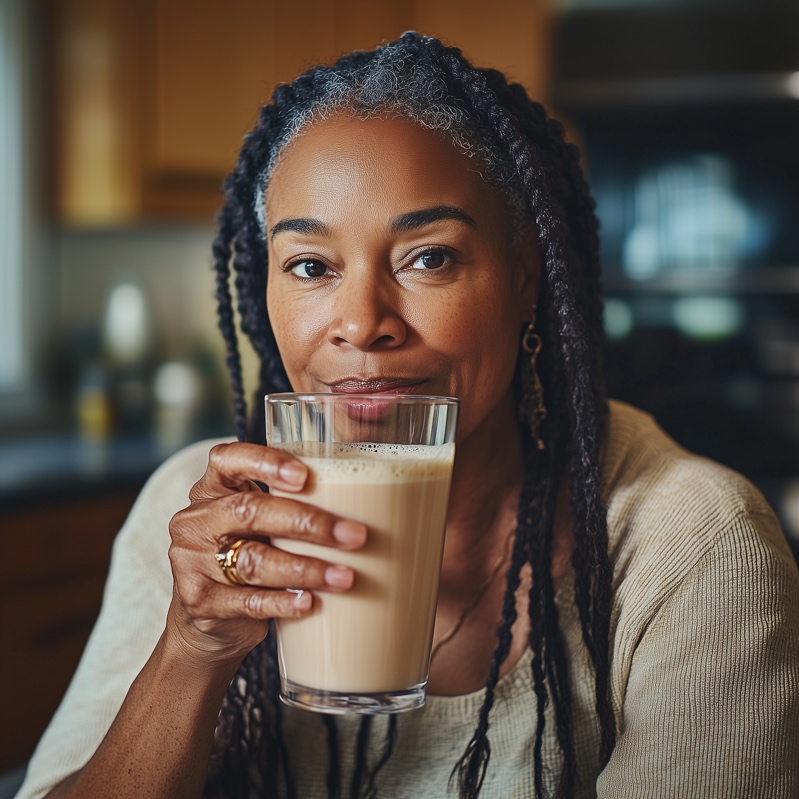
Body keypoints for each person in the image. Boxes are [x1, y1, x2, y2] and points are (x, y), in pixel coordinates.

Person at [16, 32, 799, 799]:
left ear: (524, 275)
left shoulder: (691, 542)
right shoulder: (200, 516)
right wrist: (189, 651)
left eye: (429, 256)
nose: (361, 322)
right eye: (311, 266)